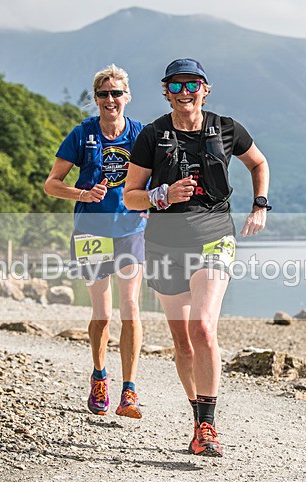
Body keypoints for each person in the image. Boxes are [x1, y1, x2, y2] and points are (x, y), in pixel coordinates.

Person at [124, 58, 271, 456]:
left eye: (192, 85)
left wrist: (259, 205)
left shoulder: (226, 128)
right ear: (165, 91)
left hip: (214, 236)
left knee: (204, 328)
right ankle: (197, 415)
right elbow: (130, 195)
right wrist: (163, 195)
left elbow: (258, 162)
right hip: (164, 242)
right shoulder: (152, 135)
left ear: (206, 89)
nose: (184, 92)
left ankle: (207, 427)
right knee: (183, 341)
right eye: (175, 86)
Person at [44, 64, 146, 419]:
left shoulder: (140, 135)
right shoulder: (82, 134)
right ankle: (99, 376)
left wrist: (152, 203)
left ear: (127, 97)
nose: (109, 100)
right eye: (103, 95)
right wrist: (82, 194)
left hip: (131, 230)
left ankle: (129, 390)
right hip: (91, 231)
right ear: (95, 99)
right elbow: (51, 183)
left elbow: (160, 178)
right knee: (102, 314)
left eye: (116, 93)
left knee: (131, 308)